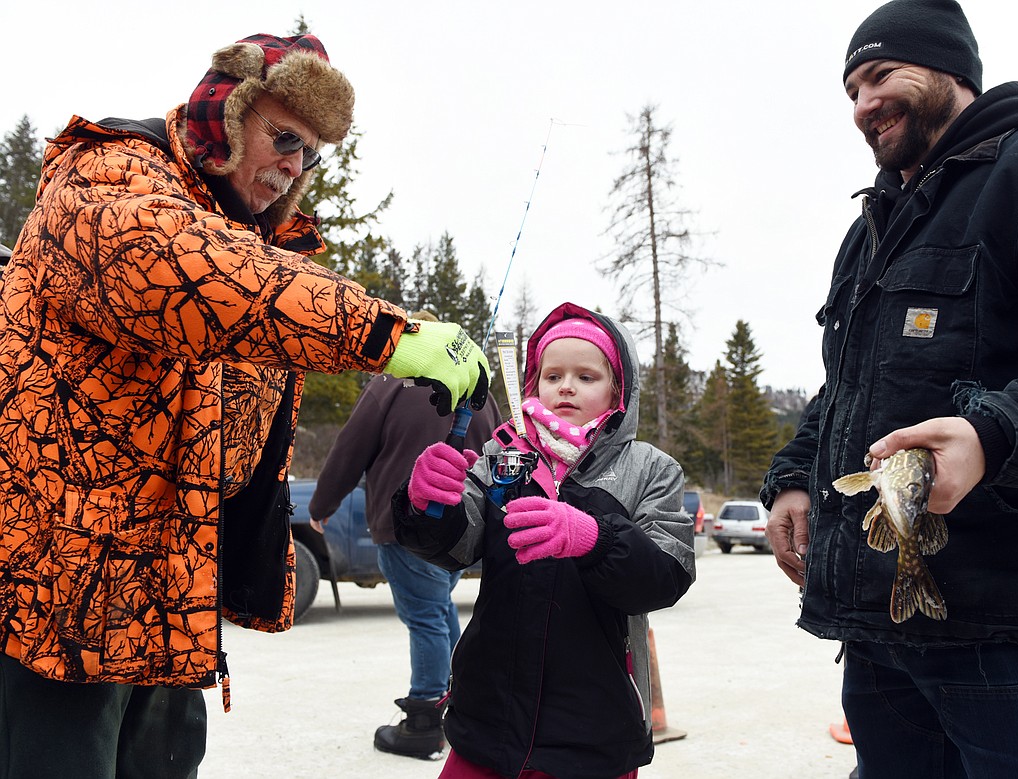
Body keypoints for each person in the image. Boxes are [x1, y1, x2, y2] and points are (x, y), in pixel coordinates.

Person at [0, 33, 489, 779]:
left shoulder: (254, 245)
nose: (295, 164)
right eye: (284, 136)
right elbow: (182, 271)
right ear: (224, 116)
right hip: (55, 597)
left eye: (311, 153)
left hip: (166, 597)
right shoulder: (106, 179)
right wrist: (386, 333)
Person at [760, 1, 1018, 776]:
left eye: (882, 75)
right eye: (850, 90)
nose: (862, 105)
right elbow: (847, 391)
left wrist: (993, 434)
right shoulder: (874, 226)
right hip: (881, 636)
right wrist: (791, 479)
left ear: (952, 70)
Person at [395, 302, 696, 779]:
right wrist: (428, 503)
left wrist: (594, 538)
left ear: (619, 389)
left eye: (586, 376)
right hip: (488, 717)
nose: (567, 387)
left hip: (594, 727)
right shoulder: (502, 455)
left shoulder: (651, 470)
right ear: (533, 383)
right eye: (552, 375)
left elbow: (666, 576)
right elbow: (455, 545)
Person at [308, 311, 503, 759]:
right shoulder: (476, 388)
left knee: (426, 618)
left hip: (405, 522)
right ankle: (460, 706)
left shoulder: (393, 383)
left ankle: (424, 722)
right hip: (461, 529)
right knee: (438, 612)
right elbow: (498, 447)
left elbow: (351, 445)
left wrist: (322, 505)